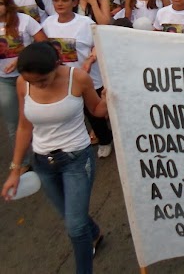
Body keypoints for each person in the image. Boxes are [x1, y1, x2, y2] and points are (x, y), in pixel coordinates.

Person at [1, 42, 108, 274]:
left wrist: (108, 101)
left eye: (42, 80)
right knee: (69, 216)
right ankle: (96, 233)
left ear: (56, 65)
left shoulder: (78, 78)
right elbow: (23, 126)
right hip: (43, 163)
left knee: (75, 227)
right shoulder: (23, 83)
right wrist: (15, 169)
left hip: (77, 159)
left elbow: (97, 110)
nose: (36, 85)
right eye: (31, 81)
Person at [42, 0, 113, 158]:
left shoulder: (85, 22)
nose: (59, 4)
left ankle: (105, 140)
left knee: (94, 113)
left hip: (88, 78)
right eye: (56, 0)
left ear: (74, 2)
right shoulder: (47, 23)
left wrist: (90, 60)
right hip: (59, 80)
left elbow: (99, 43)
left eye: (64, 0)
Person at [0, 0, 47, 167]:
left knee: (38, 118)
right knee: (14, 123)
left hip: (29, 78)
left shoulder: (25, 20)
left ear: (7, 4)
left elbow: (43, 42)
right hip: (4, 80)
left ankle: (44, 154)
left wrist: (21, 58)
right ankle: (23, 161)